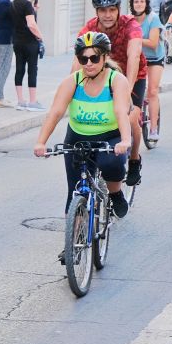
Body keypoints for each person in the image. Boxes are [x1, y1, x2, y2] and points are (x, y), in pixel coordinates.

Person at [33, 32, 133, 223]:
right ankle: (73, 244)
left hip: (110, 136)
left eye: (94, 58)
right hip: (77, 137)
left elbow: (121, 111)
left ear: (105, 57)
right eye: (83, 58)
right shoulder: (72, 81)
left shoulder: (116, 81)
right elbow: (55, 113)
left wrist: (126, 140)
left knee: (110, 163)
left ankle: (115, 193)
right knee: (75, 192)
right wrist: (41, 142)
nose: (88, 63)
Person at [80, 0, 146, 186]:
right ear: (96, 12)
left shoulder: (130, 25)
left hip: (131, 75)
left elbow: (133, 56)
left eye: (112, 10)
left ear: (118, 9)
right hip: (102, 75)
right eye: (102, 10)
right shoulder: (91, 27)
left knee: (131, 117)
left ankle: (134, 159)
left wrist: (126, 92)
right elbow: (78, 59)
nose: (107, 15)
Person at [130, 0, 166, 143]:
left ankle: (153, 128)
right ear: (132, 4)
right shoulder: (128, 19)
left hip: (154, 58)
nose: (139, 4)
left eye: (142, 1)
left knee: (152, 91)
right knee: (129, 90)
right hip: (136, 58)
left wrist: (134, 39)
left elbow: (152, 43)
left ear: (146, 3)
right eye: (136, 1)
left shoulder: (153, 19)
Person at [10, 0, 45, 111]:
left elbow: (20, 20)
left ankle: (20, 101)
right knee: (32, 70)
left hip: (17, 42)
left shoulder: (13, 3)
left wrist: (34, 10)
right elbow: (31, 24)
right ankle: (32, 102)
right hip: (30, 42)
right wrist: (40, 37)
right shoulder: (26, 5)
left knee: (19, 69)